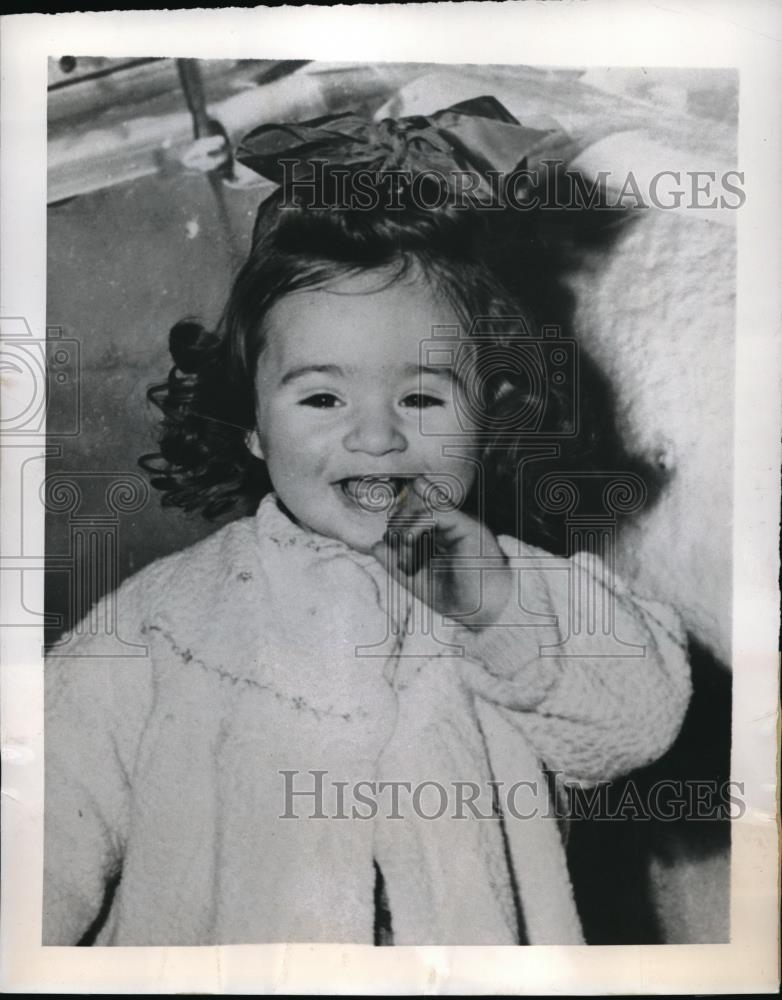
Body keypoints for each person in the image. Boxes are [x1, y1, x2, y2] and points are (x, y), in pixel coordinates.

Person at [43, 97, 691, 947]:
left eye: (421, 396)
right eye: (322, 396)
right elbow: (44, 818)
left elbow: (636, 723)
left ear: (489, 414)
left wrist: (499, 608)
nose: (378, 434)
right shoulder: (162, 618)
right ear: (250, 420)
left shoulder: (512, 596)